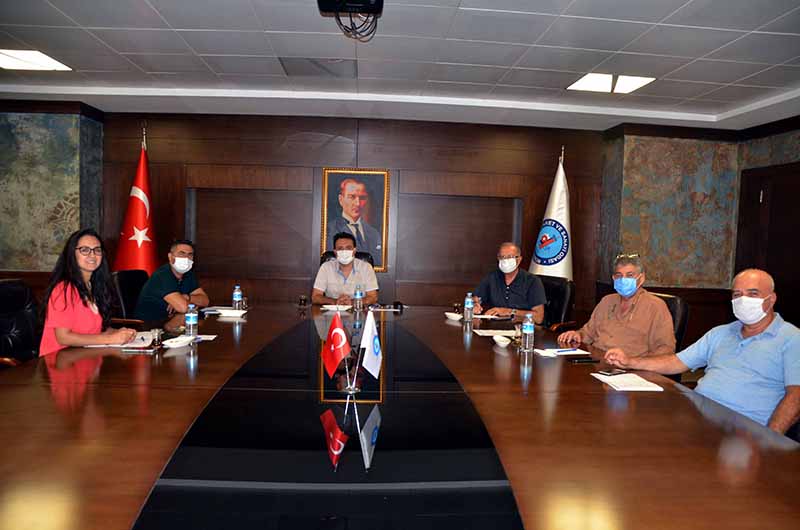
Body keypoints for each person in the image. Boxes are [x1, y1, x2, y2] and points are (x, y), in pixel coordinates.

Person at [605, 269, 800, 435]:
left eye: (753, 294)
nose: (743, 300)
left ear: (771, 299)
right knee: (630, 427)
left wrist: (771, 440)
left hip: (743, 432)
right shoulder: (720, 333)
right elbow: (676, 362)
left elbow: (796, 397)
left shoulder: (792, 338)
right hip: (696, 419)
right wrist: (629, 361)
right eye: (737, 295)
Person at [39, 228, 137, 356]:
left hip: (86, 357)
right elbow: (63, 337)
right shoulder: (64, 289)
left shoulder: (94, 286)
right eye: (84, 250)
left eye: (97, 250)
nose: (92, 255)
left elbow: (96, 330)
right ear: (72, 254)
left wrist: (118, 333)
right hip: (59, 361)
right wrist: (111, 339)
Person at [558, 253, 675, 356]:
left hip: (630, 368)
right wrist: (577, 335)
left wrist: (633, 362)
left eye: (630, 275)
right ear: (613, 278)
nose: (623, 279)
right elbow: (588, 333)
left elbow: (666, 349)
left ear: (641, 278)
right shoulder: (607, 301)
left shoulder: (655, 306)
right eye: (619, 275)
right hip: (597, 362)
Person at [134, 239, 209, 321]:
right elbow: (183, 308)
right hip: (149, 324)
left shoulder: (188, 274)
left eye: (190, 254)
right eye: (181, 253)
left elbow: (205, 301)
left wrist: (186, 297)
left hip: (172, 320)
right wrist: (193, 304)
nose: (186, 258)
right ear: (170, 257)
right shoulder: (162, 275)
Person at [473, 242, 546, 324]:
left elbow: (538, 318)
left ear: (519, 260)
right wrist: (475, 304)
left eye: (509, 257)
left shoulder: (532, 281)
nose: (505, 260)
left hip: (523, 328)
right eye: (502, 257)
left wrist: (509, 311)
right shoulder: (492, 277)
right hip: (495, 327)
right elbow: (476, 297)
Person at [327, 178, 382, 267]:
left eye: (362, 198)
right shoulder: (328, 230)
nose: (357, 203)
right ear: (341, 199)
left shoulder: (374, 233)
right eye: (352, 197)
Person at [312, 232, 379, 306]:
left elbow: (373, 297)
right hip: (333, 311)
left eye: (348, 248)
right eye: (340, 248)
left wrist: (352, 302)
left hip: (358, 311)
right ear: (335, 252)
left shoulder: (366, 267)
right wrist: (335, 301)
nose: (344, 252)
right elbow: (315, 297)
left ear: (354, 251)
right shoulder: (326, 267)